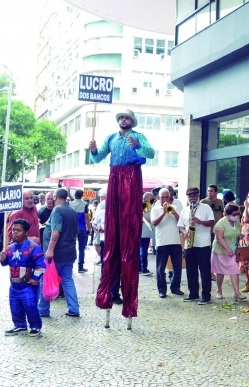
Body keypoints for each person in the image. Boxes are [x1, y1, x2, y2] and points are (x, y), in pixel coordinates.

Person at [89, 109, 155, 318]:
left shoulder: (138, 136)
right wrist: (92, 150)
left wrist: (139, 146)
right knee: (113, 221)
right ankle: (108, 292)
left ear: (132, 121)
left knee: (128, 222)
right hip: (115, 175)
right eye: (121, 118)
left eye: (126, 118)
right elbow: (98, 158)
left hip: (131, 175)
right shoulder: (111, 137)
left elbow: (150, 153)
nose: (123, 120)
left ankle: (128, 299)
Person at [38, 188, 80, 318]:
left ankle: (43, 310)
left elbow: (56, 232)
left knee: (46, 280)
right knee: (67, 280)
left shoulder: (57, 210)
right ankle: (74, 309)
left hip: (58, 253)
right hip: (70, 251)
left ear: (55, 197)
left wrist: (50, 250)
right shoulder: (72, 210)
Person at [0, 219, 46, 337]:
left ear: (26, 232)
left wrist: (36, 278)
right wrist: (3, 258)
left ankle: (35, 326)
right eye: (14, 230)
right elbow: (5, 264)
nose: (15, 232)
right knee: (15, 306)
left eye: (19, 230)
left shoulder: (33, 248)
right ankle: (19, 325)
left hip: (28, 285)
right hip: (14, 285)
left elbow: (41, 265)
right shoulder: (9, 248)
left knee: (30, 306)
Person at [177, 187, 215, 304]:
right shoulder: (184, 210)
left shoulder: (206, 207)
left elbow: (212, 222)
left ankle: (206, 296)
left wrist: (200, 222)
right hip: (190, 244)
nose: (192, 198)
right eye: (190, 196)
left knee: (204, 271)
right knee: (191, 271)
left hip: (203, 244)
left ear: (198, 195)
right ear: (187, 198)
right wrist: (185, 233)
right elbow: (181, 226)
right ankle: (193, 294)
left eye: (194, 195)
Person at [151, 188, 183, 298]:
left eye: (166, 197)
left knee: (177, 267)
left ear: (169, 197)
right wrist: (164, 213)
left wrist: (174, 213)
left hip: (175, 241)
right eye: (162, 197)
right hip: (162, 242)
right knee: (160, 268)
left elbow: (181, 222)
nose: (165, 199)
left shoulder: (176, 207)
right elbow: (154, 223)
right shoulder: (155, 209)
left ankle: (175, 288)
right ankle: (162, 290)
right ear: (158, 197)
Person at [211, 203, 246, 301]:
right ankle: (219, 290)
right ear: (226, 214)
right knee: (220, 272)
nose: (236, 216)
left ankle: (237, 292)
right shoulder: (221, 223)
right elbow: (219, 238)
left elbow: (236, 231)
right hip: (221, 251)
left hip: (232, 251)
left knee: (235, 270)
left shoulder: (236, 222)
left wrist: (239, 236)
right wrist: (227, 249)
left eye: (237, 214)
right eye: (234, 214)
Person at [70, 189, 91, 273]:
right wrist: (89, 229)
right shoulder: (85, 205)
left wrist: (68, 192)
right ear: (82, 196)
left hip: (72, 228)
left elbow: (71, 199)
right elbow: (86, 218)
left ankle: (70, 267)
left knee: (71, 246)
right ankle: (80, 266)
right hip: (82, 228)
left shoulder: (70, 203)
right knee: (81, 248)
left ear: (75, 195)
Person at [140, 192, 154, 276]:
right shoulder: (143, 205)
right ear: (146, 198)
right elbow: (140, 218)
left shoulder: (148, 205)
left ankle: (141, 268)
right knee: (143, 250)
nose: (152, 199)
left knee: (143, 250)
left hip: (146, 231)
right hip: (143, 232)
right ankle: (144, 269)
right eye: (150, 198)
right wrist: (150, 219)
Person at [93, 190, 107, 265]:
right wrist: (98, 228)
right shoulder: (102, 211)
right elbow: (94, 223)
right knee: (104, 261)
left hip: (115, 241)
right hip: (104, 239)